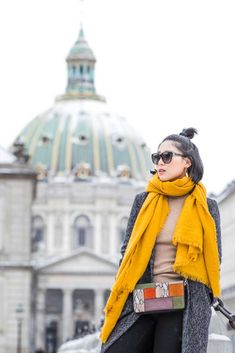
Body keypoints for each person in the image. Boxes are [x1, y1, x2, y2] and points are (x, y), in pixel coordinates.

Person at [99, 128, 222, 353]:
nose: (160, 163)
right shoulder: (144, 201)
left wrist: (201, 300)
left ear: (187, 162)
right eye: (157, 157)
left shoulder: (206, 206)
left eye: (167, 156)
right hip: (141, 298)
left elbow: (214, 258)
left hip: (181, 305)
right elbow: (127, 249)